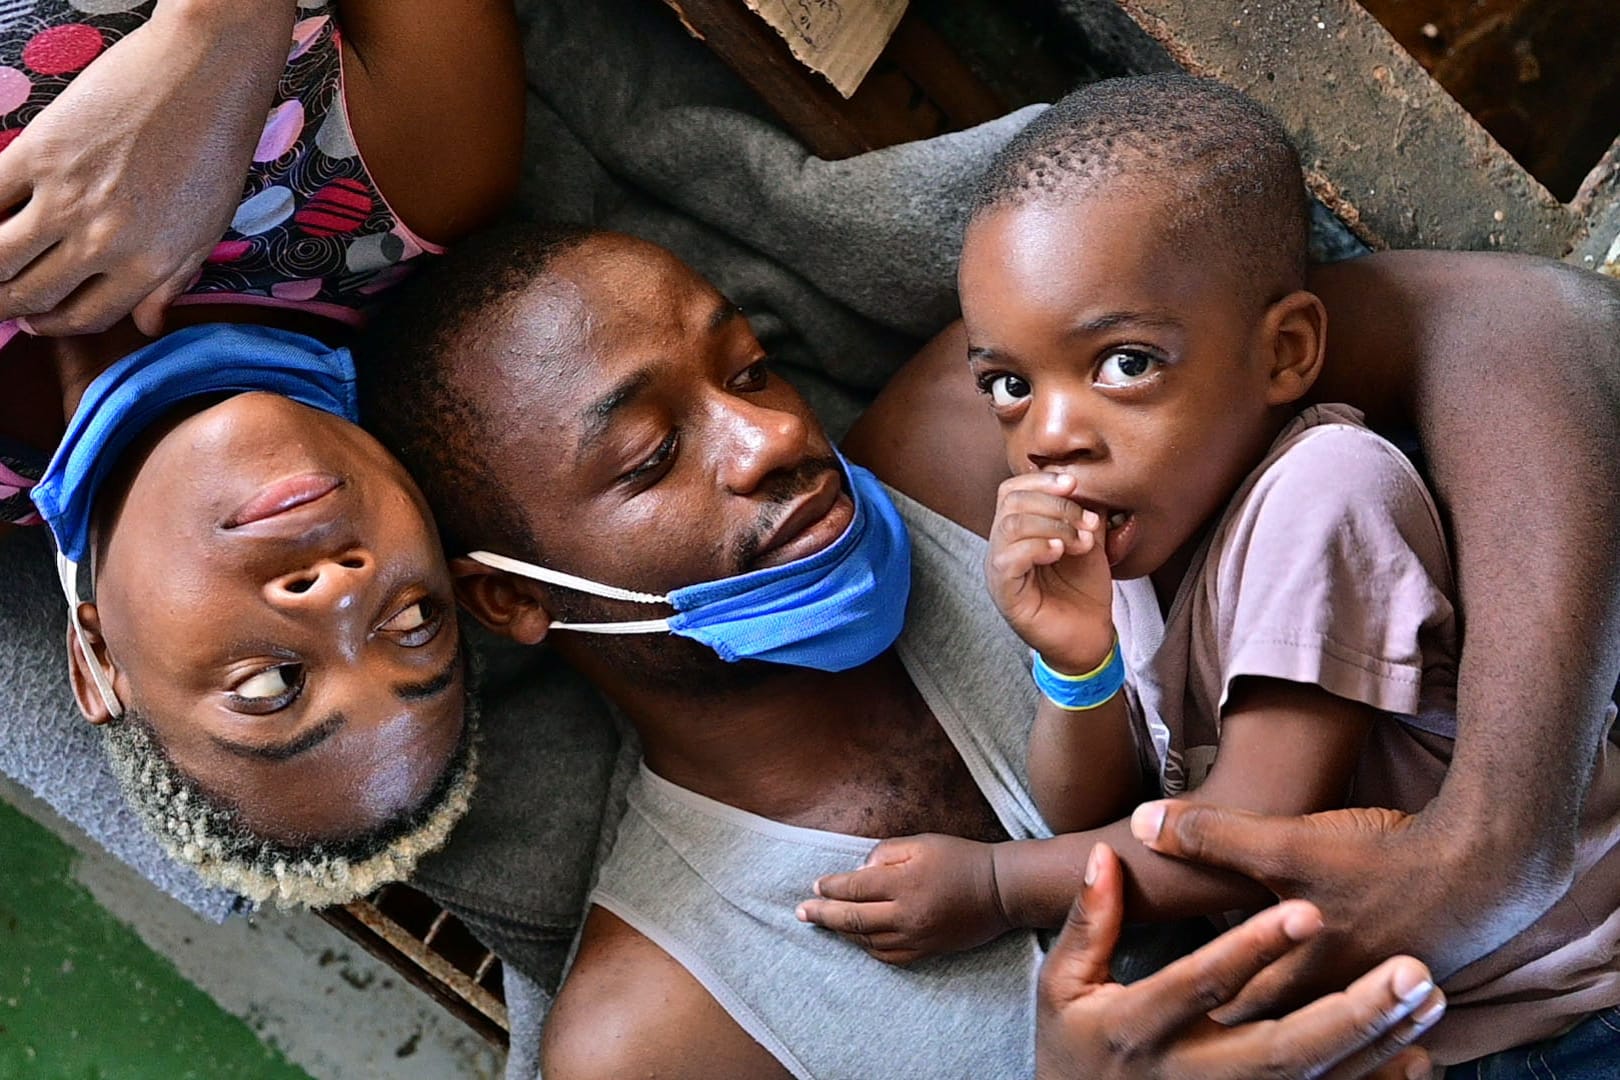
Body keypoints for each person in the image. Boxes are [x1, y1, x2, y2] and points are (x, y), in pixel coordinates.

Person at [353, 223, 1612, 1078]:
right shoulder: (666, 1029)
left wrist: (1492, 838)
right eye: (649, 459)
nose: (771, 439)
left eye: (751, 367)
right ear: (508, 600)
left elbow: (1516, 323)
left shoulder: (986, 438)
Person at [798, 75, 1620, 1072]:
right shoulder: (1140, 549)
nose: (1051, 437)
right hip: (1446, 1020)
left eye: (1125, 363)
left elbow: (1243, 842)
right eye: (1010, 385)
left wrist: (995, 889)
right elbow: (1086, 811)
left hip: (1563, 1007)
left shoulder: (1322, 499)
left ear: (1286, 352)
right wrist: (1080, 666)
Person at [0, 0, 525, 904]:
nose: (342, 590)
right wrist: (217, 37)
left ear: (96, 659)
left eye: (272, 682)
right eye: (412, 625)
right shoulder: (416, 167)